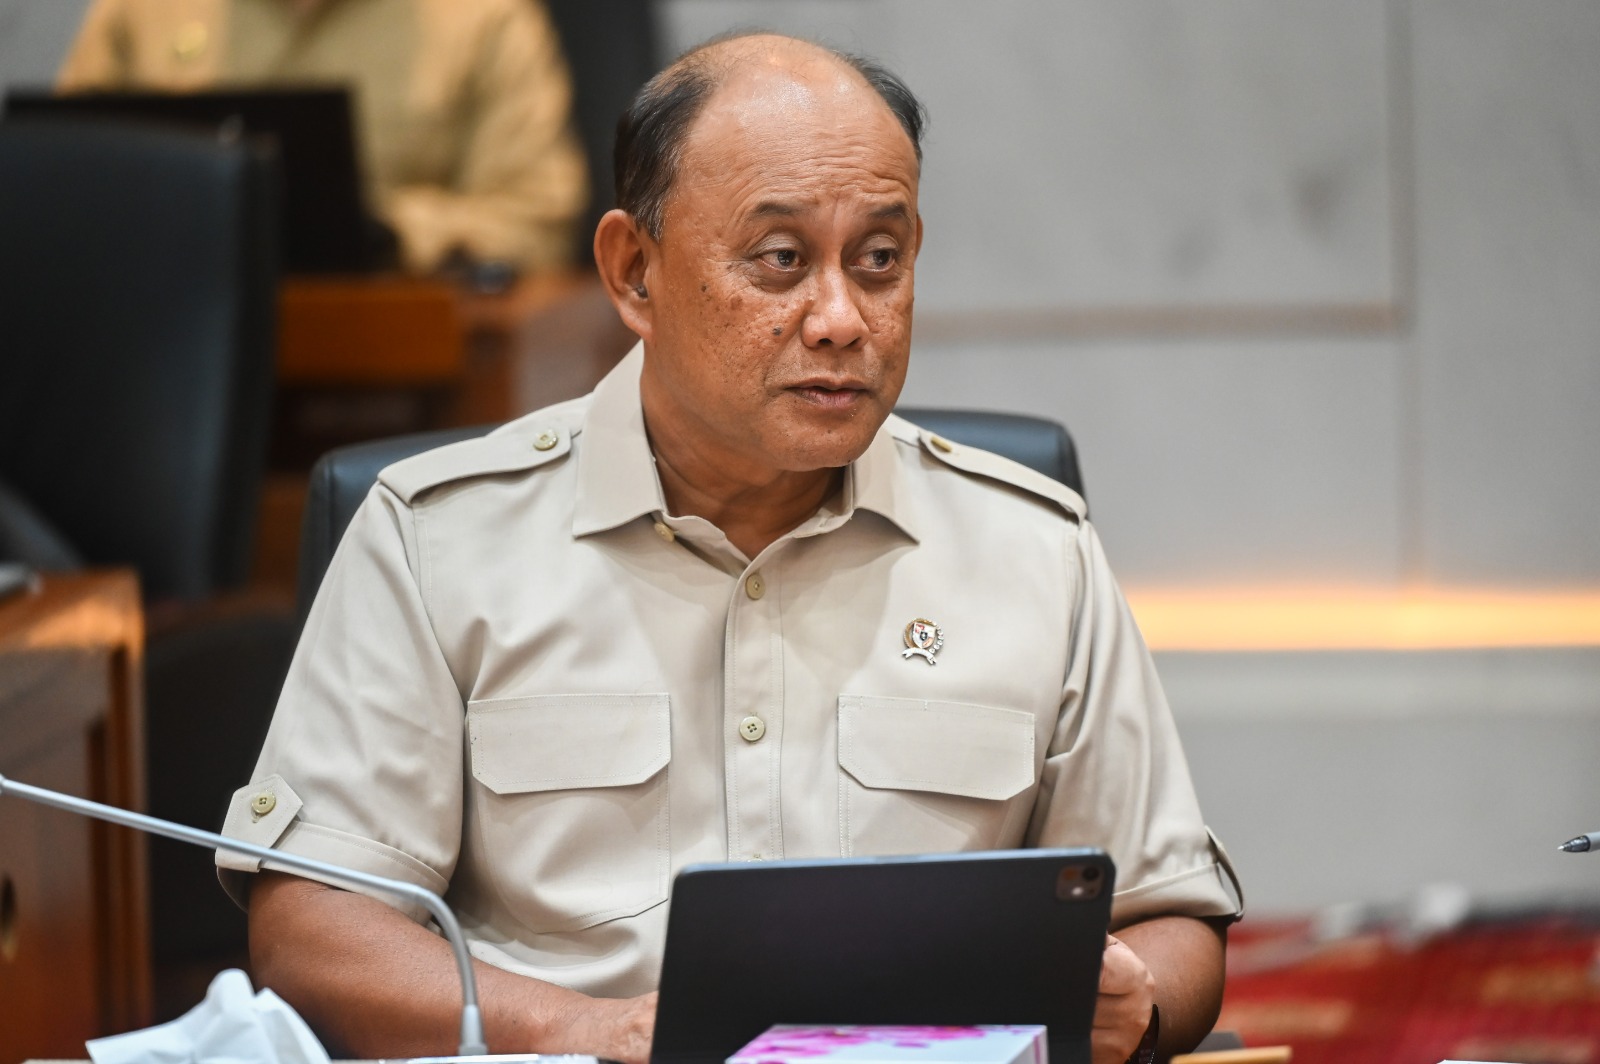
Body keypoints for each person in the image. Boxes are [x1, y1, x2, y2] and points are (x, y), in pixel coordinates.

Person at [216, 33, 1242, 1064]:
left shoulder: (1032, 549)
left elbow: (1170, 911)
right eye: (781, 260)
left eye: (879, 261)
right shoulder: (439, 537)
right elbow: (313, 928)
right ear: (634, 272)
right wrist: (582, 1028)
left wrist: (1139, 1002)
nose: (841, 318)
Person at [58, 0, 587, 273]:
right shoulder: (140, 10)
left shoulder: (484, 16)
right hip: (157, 338)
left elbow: (538, 220)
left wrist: (389, 232)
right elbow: (61, 180)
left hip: (383, 358)